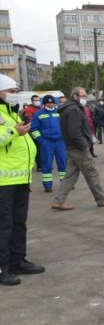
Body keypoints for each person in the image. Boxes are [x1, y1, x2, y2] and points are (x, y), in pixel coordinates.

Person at [0, 74, 45, 286]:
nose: (14, 95)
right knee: (4, 225)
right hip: (3, 182)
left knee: (19, 222)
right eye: (11, 91)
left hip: (20, 178)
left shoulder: (11, 113)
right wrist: (13, 132)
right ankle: (3, 268)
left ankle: (18, 260)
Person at [52, 87, 104, 211]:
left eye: (85, 96)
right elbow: (74, 132)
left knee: (70, 175)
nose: (85, 98)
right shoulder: (73, 110)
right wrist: (84, 145)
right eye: (83, 96)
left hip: (72, 147)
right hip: (78, 148)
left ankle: (58, 201)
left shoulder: (69, 108)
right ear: (75, 96)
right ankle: (102, 199)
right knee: (92, 173)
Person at [30, 95, 67, 192]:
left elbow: (66, 126)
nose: (50, 104)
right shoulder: (38, 114)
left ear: (55, 103)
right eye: (48, 103)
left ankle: (65, 183)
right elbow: (34, 129)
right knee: (47, 164)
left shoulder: (60, 112)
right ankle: (47, 186)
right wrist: (40, 140)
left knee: (63, 163)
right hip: (46, 142)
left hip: (60, 142)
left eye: (52, 102)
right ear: (44, 103)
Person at [21, 95, 42, 172]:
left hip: (41, 132)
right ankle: (39, 166)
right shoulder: (29, 110)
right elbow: (28, 121)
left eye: (38, 100)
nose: (37, 101)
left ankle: (41, 164)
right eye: (35, 100)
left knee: (41, 149)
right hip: (32, 132)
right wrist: (31, 132)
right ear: (32, 101)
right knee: (37, 150)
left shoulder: (41, 108)